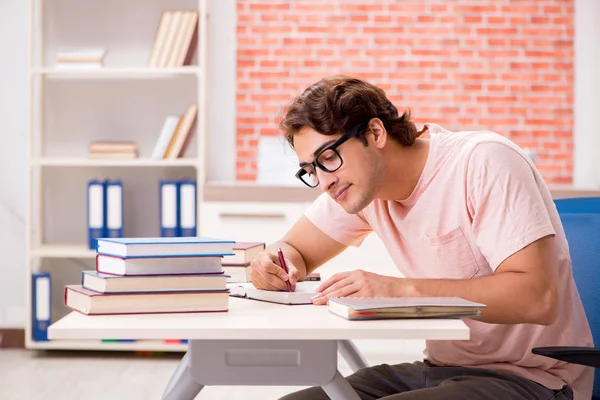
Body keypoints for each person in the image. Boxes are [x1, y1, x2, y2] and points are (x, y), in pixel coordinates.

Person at [249, 75, 594, 400]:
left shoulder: (483, 162)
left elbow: (538, 298)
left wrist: (400, 290)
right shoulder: (361, 189)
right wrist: (272, 265)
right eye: (310, 169)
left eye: (328, 157)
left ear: (375, 133)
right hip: (441, 370)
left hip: (533, 377)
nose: (323, 181)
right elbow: (292, 249)